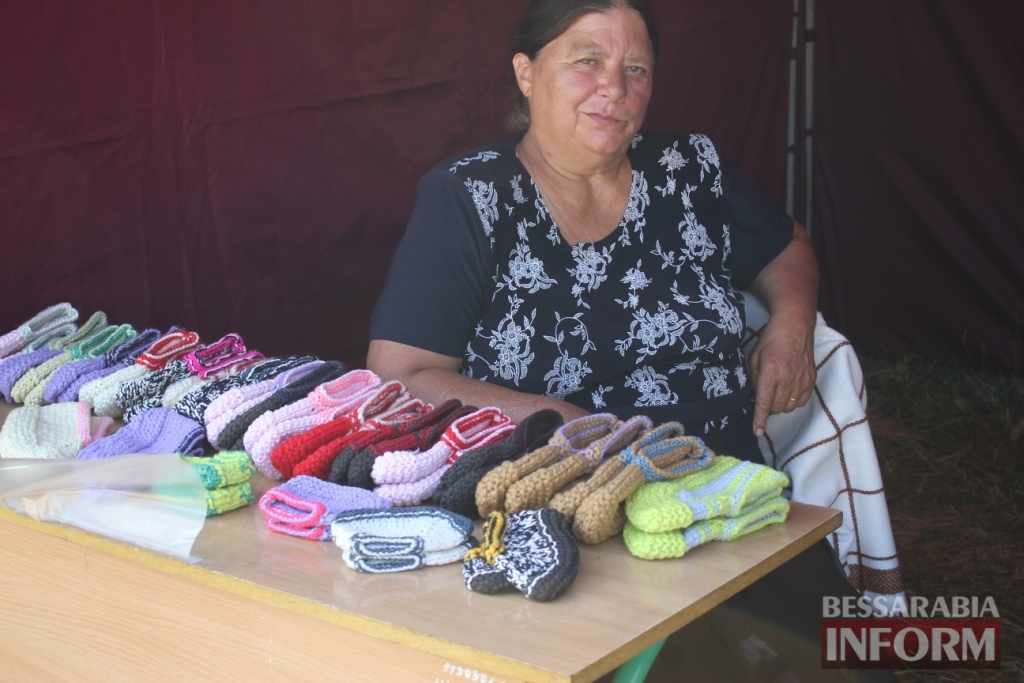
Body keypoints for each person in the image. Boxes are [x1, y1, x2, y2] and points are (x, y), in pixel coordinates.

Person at [367, 1, 893, 680]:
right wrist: (569, 424)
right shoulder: (468, 197)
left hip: (726, 494)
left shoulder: (691, 169)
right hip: (578, 508)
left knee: (858, 665)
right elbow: (403, 372)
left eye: (635, 68)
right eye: (587, 61)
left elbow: (784, 245)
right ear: (527, 73)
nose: (614, 88)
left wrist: (791, 322)